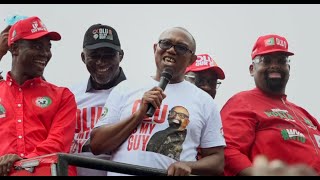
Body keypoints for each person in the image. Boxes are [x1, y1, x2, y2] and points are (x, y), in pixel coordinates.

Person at [90, 27, 225, 176]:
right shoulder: (126, 88)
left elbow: (217, 161)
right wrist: (139, 114)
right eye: (166, 43)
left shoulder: (205, 101)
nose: (171, 50)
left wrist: (189, 166)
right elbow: (97, 145)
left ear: (192, 59)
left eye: (181, 47)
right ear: (155, 48)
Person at [221, 34, 320, 176]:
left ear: (288, 69)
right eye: (266, 61)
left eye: (281, 61)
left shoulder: (304, 114)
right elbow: (228, 150)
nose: (274, 66)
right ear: (251, 69)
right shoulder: (243, 102)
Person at [0, 16, 77, 176]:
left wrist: (21, 162)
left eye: (48, 47)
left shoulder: (63, 96)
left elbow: (57, 144)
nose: (45, 53)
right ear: (14, 49)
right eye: (36, 46)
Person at [69, 23, 126, 176]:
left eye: (108, 55)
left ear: (120, 55)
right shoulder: (70, 95)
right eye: (94, 56)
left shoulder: (135, 94)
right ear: (83, 57)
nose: (101, 62)